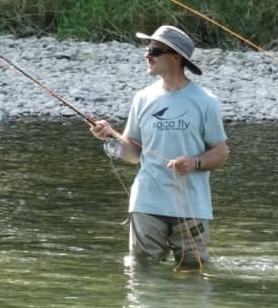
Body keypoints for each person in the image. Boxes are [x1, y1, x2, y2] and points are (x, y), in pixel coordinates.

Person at [91, 25, 229, 268]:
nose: (147, 55)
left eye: (154, 50)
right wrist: (110, 137)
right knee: (142, 275)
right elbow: (133, 154)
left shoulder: (205, 101)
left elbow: (221, 152)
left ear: (176, 57)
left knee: (194, 275)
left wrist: (195, 162)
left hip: (192, 207)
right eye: (147, 49)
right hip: (146, 203)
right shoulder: (142, 98)